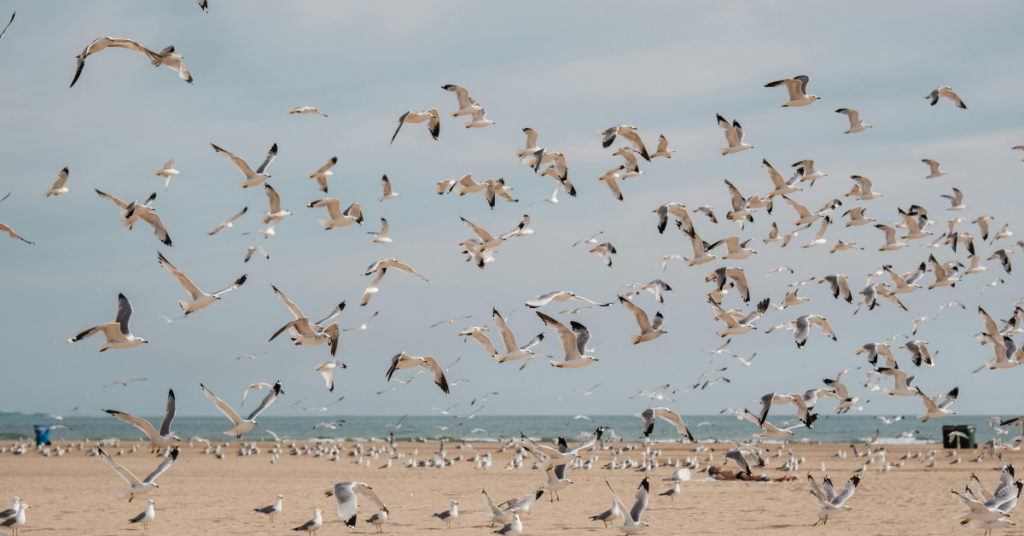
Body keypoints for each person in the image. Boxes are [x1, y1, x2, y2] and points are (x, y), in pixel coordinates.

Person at [707, 465, 797, 482]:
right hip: (739, 475)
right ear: (714, 471)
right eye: (716, 468)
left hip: (741, 473)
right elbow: (723, 479)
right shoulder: (717, 475)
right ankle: (779, 479)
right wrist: (734, 479)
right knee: (757, 476)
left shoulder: (721, 471)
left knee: (757, 477)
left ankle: (779, 478)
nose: (719, 467)